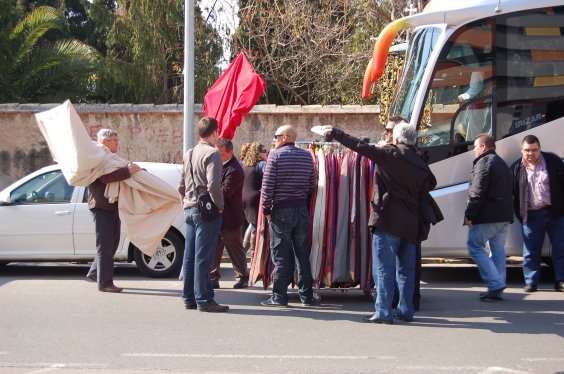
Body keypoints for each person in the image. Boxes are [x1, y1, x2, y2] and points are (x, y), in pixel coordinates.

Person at [323, 122, 437, 324]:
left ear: (397, 138)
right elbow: (431, 184)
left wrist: (335, 132)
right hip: (411, 223)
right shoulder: (419, 162)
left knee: (384, 268)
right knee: (406, 271)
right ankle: (406, 310)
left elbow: (359, 146)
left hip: (387, 218)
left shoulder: (389, 154)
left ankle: (383, 311)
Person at [260, 125, 317, 307]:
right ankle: (306, 297)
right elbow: (312, 184)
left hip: (281, 211)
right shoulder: (307, 156)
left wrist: (266, 211)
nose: (274, 140)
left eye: (276, 136)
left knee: (281, 256)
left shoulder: (275, 157)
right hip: (300, 209)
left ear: (285, 137)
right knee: (302, 253)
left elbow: (267, 187)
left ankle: (279, 296)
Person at [178, 116, 229, 312]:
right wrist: (220, 206)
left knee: (190, 256)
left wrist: (186, 202)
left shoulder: (189, 153)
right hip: (206, 210)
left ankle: (189, 297)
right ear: (214, 132)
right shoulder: (212, 154)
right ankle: (204, 299)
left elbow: (181, 185)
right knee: (203, 257)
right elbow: (214, 185)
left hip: (190, 208)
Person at [86, 129, 141, 293]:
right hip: (102, 205)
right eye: (115, 141)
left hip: (111, 205)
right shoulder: (99, 157)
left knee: (113, 243)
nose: (118, 143)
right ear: (105, 142)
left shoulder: (109, 157)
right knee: (105, 245)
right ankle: (105, 282)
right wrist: (128, 171)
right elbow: (105, 177)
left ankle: (96, 272)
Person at [511, 135, 564, 293]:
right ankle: (531, 282)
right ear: (522, 150)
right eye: (527, 150)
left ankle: (561, 281)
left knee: (561, 249)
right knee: (530, 251)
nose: (530, 153)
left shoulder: (553, 161)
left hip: (555, 213)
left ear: (539, 149)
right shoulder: (515, 168)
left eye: (534, 150)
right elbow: (511, 194)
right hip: (531, 215)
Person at [464, 134, 513, 301]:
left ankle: (495, 284)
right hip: (504, 215)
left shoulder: (484, 162)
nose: (474, 150)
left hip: (489, 215)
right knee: (498, 250)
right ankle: (497, 290)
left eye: (475, 147)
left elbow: (477, 191)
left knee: (474, 246)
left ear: (484, 147)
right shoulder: (500, 162)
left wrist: (470, 215)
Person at [210, 137, 249, 289]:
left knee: (235, 249)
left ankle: (242, 277)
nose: (218, 157)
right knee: (214, 248)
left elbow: (225, 192)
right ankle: (213, 277)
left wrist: (210, 193)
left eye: (221, 154)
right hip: (217, 214)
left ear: (230, 152)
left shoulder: (235, 169)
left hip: (230, 216)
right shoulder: (217, 165)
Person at [241, 142, 268, 257]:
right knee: (256, 227)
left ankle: (242, 251)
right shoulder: (261, 164)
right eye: (264, 151)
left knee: (252, 224)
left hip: (244, 198)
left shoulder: (244, 164)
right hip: (255, 198)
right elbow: (269, 176)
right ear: (258, 153)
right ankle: (253, 254)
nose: (267, 152)